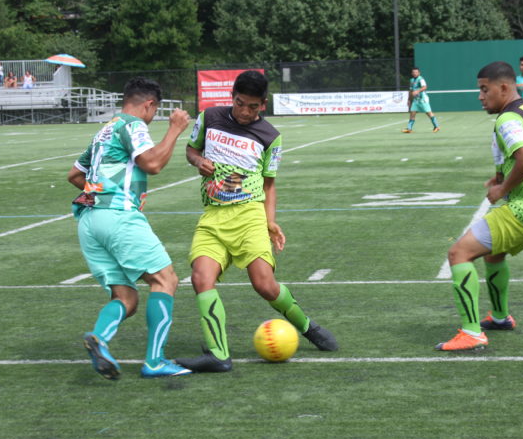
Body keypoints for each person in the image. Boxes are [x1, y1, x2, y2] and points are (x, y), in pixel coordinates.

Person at [175, 70, 338, 373]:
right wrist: (198, 161)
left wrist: (269, 222)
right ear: (231, 98)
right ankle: (219, 354)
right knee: (201, 278)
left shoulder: (270, 136)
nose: (245, 112)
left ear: (263, 104)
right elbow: (190, 149)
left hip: (249, 214)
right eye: (240, 104)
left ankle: (306, 326)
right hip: (212, 217)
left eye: (253, 106)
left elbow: (269, 184)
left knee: (264, 284)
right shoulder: (209, 117)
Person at [66, 77, 193, 379]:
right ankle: (155, 361)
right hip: (118, 217)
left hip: (89, 220)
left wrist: (103, 190)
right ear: (149, 105)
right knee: (166, 280)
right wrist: (174, 128)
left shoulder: (104, 131)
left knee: (127, 299)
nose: (153, 116)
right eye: (155, 111)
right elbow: (152, 164)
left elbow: (74, 175)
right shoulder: (134, 125)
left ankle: (99, 338)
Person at [435, 61, 523, 351]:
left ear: (503, 87)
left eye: (484, 89)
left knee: (459, 253)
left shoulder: (506, 120)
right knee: (492, 254)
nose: (480, 96)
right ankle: (501, 317)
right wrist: (502, 173)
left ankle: (471, 333)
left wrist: (502, 188)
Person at [403, 67, 441, 133]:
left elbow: (425, 87)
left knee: (428, 113)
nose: (415, 73)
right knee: (412, 112)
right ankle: (409, 129)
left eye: (416, 72)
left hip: (423, 99)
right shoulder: (411, 80)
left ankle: (437, 126)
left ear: (419, 73)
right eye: (414, 72)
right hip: (416, 100)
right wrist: (409, 99)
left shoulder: (421, 79)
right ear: (412, 73)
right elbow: (411, 90)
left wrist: (418, 91)